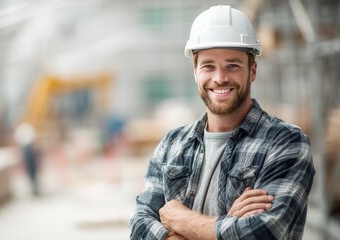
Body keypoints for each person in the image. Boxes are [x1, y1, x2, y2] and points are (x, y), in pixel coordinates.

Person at [129, 5, 315, 240]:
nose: (219, 78)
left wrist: (180, 220)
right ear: (195, 71)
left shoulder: (285, 143)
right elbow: (139, 226)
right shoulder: (172, 144)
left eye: (232, 66)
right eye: (208, 66)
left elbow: (264, 232)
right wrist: (228, 224)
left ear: (252, 70)